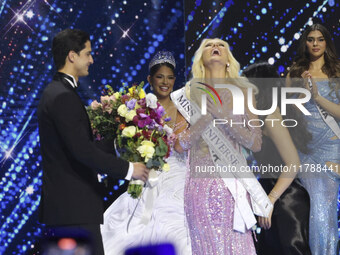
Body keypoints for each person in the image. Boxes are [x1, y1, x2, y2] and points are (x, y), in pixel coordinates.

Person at [37, 28, 149, 255]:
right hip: (73, 211)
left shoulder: (57, 92)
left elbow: (75, 145)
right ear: (72, 56)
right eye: (87, 53)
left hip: (70, 210)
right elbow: (82, 151)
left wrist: (116, 138)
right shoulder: (62, 96)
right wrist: (129, 169)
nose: (91, 59)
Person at [183, 38, 272, 255]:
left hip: (232, 185)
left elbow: (256, 143)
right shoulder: (188, 94)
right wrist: (206, 119)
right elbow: (182, 143)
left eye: (221, 45)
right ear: (201, 59)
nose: (215, 47)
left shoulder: (244, 92)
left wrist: (225, 118)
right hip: (199, 187)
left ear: (228, 59)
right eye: (208, 45)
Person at [101, 51, 192, 255]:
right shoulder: (139, 107)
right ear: (150, 79)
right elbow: (123, 145)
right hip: (149, 175)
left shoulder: (185, 108)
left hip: (179, 176)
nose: (165, 82)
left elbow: (187, 143)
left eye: (170, 77)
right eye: (160, 77)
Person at [242, 62, 311, 255]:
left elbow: (293, 163)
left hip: (286, 198)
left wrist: (270, 200)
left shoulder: (272, 116)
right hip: (270, 194)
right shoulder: (256, 118)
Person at [287, 23, 340, 255]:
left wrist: (316, 97)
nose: (315, 44)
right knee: (307, 210)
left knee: (323, 208)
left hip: (331, 147)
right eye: (310, 39)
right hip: (304, 148)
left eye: (320, 39)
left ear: (326, 42)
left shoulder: (337, 71)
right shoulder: (294, 73)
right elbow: (288, 114)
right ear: (305, 43)